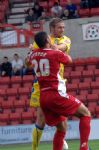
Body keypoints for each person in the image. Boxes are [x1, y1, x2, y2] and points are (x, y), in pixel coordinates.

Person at [29, 31, 91, 150]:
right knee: (85, 114)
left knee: (61, 128)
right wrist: (56, 48)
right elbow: (69, 60)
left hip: (44, 97)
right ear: (48, 40)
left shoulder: (33, 55)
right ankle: (84, 147)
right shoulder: (54, 53)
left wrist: (32, 50)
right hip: (56, 94)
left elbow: (28, 62)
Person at [30, 18, 71, 150]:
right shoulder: (42, 39)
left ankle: (61, 138)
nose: (62, 30)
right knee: (40, 118)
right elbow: (28, 60)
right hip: (41, 84)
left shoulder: (65, 39)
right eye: (60, 27)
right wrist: (30, 53)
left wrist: (52, 48)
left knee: (63, 115)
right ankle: (34, 148)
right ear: (52, 28)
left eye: (63, 27)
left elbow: (63, 47)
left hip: (58, 83)